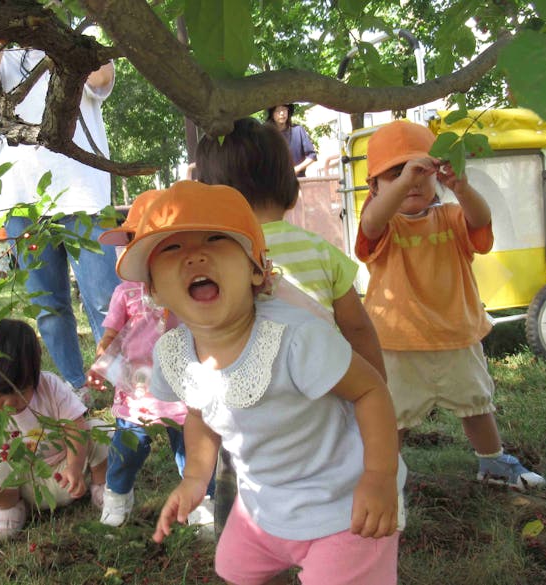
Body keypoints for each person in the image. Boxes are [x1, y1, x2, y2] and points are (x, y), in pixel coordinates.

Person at [120, 181, 403, 585]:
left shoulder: (295, 338)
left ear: (256, 269)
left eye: (216, 239)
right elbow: (200, 413)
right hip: (264, 504)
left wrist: (379, 476)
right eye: (172, 248)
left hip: (343, 501)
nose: (195, 255)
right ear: (154, 290)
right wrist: (195, 479)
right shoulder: (175, 354)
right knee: (233, 569)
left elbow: (370, 389)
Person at [195, 117, 390, 534]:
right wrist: (375, 385)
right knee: (332, 481)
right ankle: (329, 539)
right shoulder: (320, 250)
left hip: (243, 410)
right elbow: (357, 329)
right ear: (288, 182)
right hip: (321, 398)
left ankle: (246, 549)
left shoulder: (217, 258)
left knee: (240, 492)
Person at [355, 120, 546, 491]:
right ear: (373, 187)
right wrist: (404, 182)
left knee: (476, 404)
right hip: (399, 344)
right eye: (394, 175)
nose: (410, 181)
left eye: (420, 172)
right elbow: (372, 222)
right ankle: (382, 476)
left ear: (437, 177)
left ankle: (492, 463)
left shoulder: (452, 216)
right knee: (394, 417)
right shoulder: (383, 226)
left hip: (457, 335)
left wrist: (462, 186)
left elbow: (481, 219)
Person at [0, 42, 121, 398]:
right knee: (49, 307)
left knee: (105, 300)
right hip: (22, 201)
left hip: (84, 194)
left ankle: (123, 386)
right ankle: (76, 387)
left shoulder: (76, 39)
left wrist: (57, 38)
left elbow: (101, 77)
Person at [86, 190, 215, 529]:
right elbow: (111, 336)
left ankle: (200, 501)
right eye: (126, 242)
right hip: (136, 391)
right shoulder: (125, 293)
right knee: (126, 451)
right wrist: (102, 362)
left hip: (183, 393)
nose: (128, 250)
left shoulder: (185, 288)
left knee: (192, 449)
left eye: (137, 240)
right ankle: (117, 495)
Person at [0, 319, 110, 542]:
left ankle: (100, 484)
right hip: (21, 484)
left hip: (64, 473)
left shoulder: (50, 386)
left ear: (36, 377)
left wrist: (75, 467)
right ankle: (10, 508)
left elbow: (76, 428)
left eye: (21, 391)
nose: (10, 403)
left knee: (98, 430)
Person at [266, 104, 317, 177]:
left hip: (298, 181)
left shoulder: (298, 130)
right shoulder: (266, 135)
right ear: (272, 114)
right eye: (278, 110)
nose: (282, 113)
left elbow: (312, 156)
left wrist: (296, 169)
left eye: (284, 109)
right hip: (275, 182)